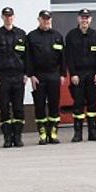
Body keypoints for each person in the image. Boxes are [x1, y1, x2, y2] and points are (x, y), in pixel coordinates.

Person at [0, 7, 30, 148]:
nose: (8, 18)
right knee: (4, 107)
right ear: (2, 17)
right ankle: (7, 138)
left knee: (18, 108)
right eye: (6, 16)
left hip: (18, 76)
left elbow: (27, 56)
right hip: (3, 77)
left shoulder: (21, 34)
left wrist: (26, 74)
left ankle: (17, 137)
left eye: (10, 16)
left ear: (14, 17)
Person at [24, 10, 66, 145]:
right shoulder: (31, 36)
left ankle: (53, 133)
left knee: (54, 105)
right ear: (39, 20)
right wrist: (31, 75)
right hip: (38, 76)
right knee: (40, 105)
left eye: (48, 19)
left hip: (54, 75)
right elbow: (28, 58)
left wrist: (63, 74)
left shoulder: (58, 36)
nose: (46, 21)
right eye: (43, 19)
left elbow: (62, 58)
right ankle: (42, 133)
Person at [64, 9, 96, 142]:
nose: (84, 20)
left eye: (87, 18)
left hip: (92, 74)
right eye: (82, 18)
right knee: (78, 104)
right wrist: (73, 74)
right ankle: (78, 134)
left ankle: (93, 133)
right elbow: (68, 57)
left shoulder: (95, 35)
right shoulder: (71, 35)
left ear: (90, 20)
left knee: (92, 105)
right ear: (78, 19)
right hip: (78, 75)